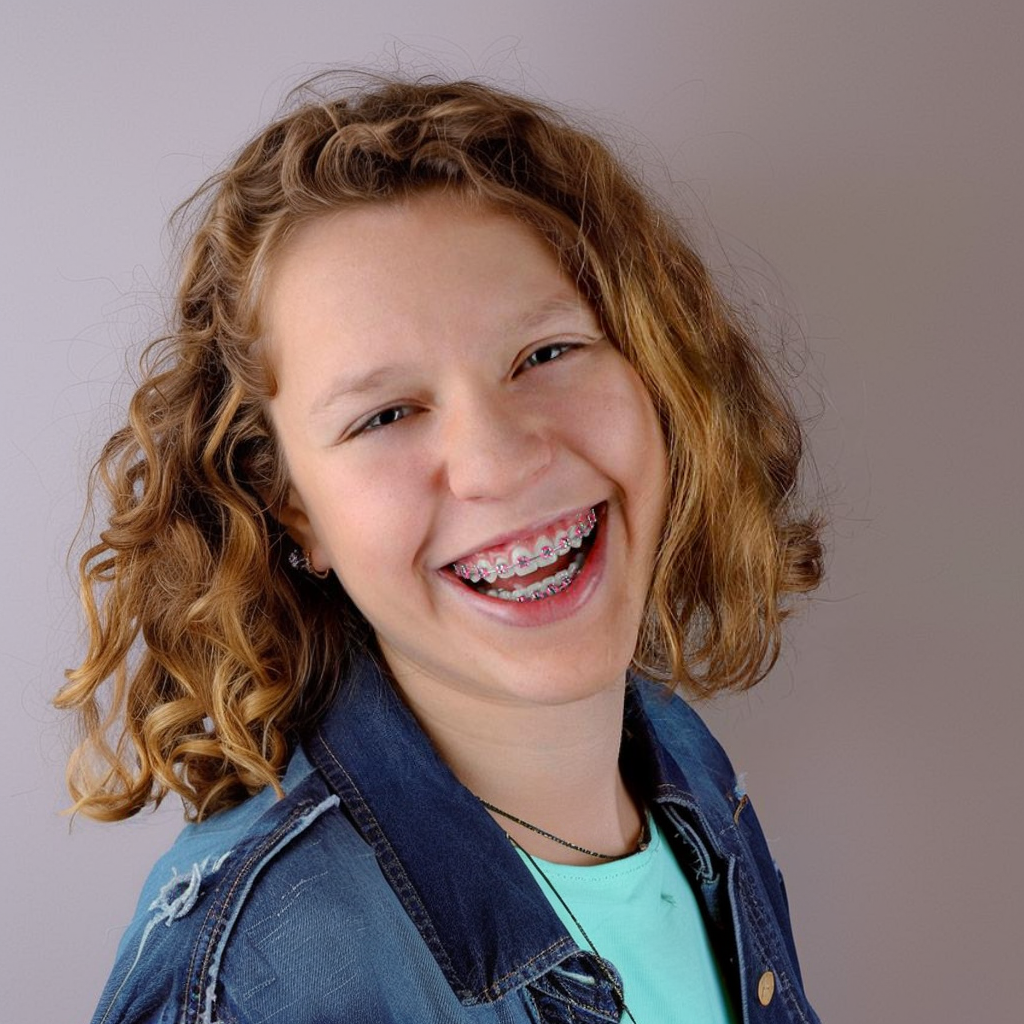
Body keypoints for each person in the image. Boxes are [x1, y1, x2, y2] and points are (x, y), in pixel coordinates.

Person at [57, 73, 824, 1024]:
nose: (497, 465)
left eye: (545, 354)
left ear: (657, 375)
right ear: (290, 509)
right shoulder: (267, 976)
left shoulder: (686, 773)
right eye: (385, 415)